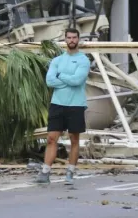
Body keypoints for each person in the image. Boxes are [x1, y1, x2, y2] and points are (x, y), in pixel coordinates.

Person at [36, 28, 90, 186]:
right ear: (65, 40)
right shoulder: (57, 61)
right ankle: (45, 172)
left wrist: (61, 76)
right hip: (57, 104)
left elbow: (77, 81)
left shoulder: (83, 60)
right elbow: (50, 81)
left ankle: (70, 171)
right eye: (69, 37)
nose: (72, 40)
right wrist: (67, 79)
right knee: (52, 138)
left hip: (76, 105)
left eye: (74, 37)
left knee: (74, 139)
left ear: (78, 40)